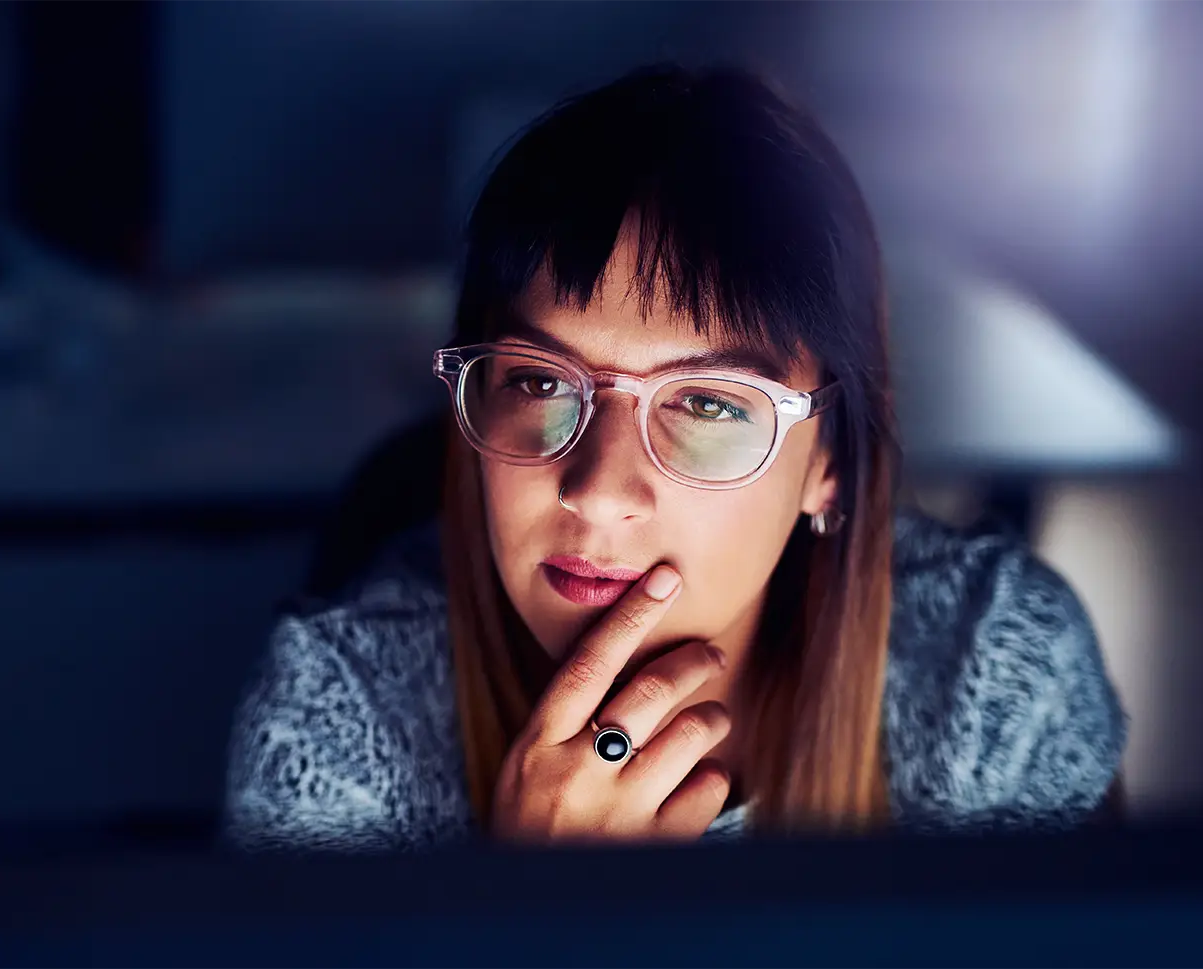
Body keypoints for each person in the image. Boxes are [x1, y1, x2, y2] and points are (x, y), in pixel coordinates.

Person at [224, 65, 1127, 851]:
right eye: (540, 384)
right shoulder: (340, 718)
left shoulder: (992, 672)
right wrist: (534, 917)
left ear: (831, 461)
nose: (599, 492)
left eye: (705, 403)